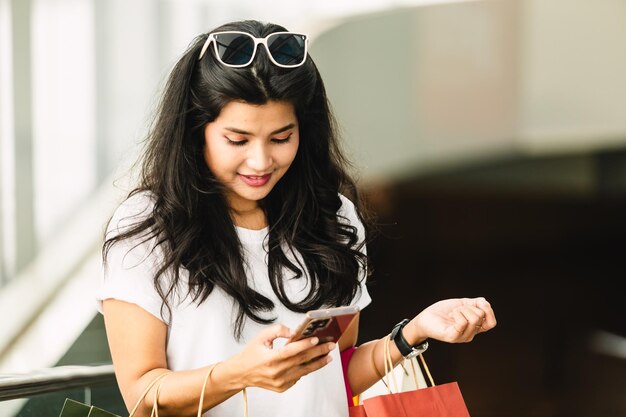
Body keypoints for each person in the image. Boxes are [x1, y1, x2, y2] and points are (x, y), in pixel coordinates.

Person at [96, 19, 496, 417]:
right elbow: (142, 395)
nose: (261, 161)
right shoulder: (148, 225)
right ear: (195, 130)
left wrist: (413, 333)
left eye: (281, 138)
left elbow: (332, 375)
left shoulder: (333, 217)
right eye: (237, 140)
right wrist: (241, 374)